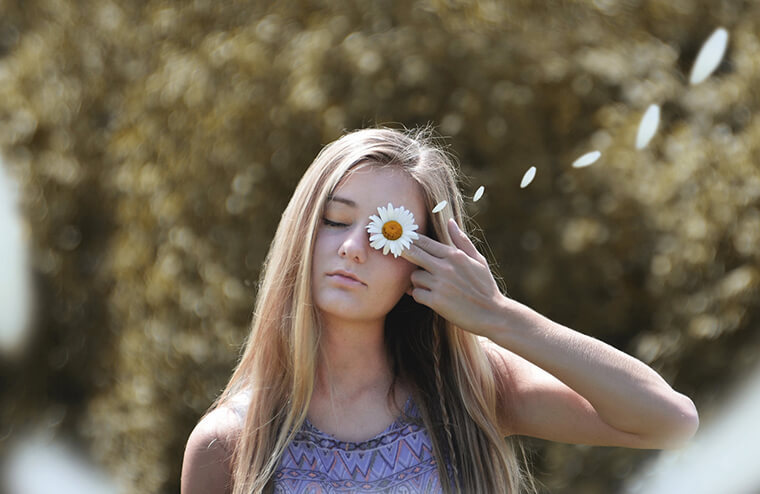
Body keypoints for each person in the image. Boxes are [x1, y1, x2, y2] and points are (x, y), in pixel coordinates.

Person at [181, 126, 699, 494]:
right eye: (336, 220)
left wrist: (498, 314)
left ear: (424, 263)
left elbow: (670, 421)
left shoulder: (472, 387)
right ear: (301, 233)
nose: (353, 247)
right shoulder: (229, 443)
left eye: (389, 233)